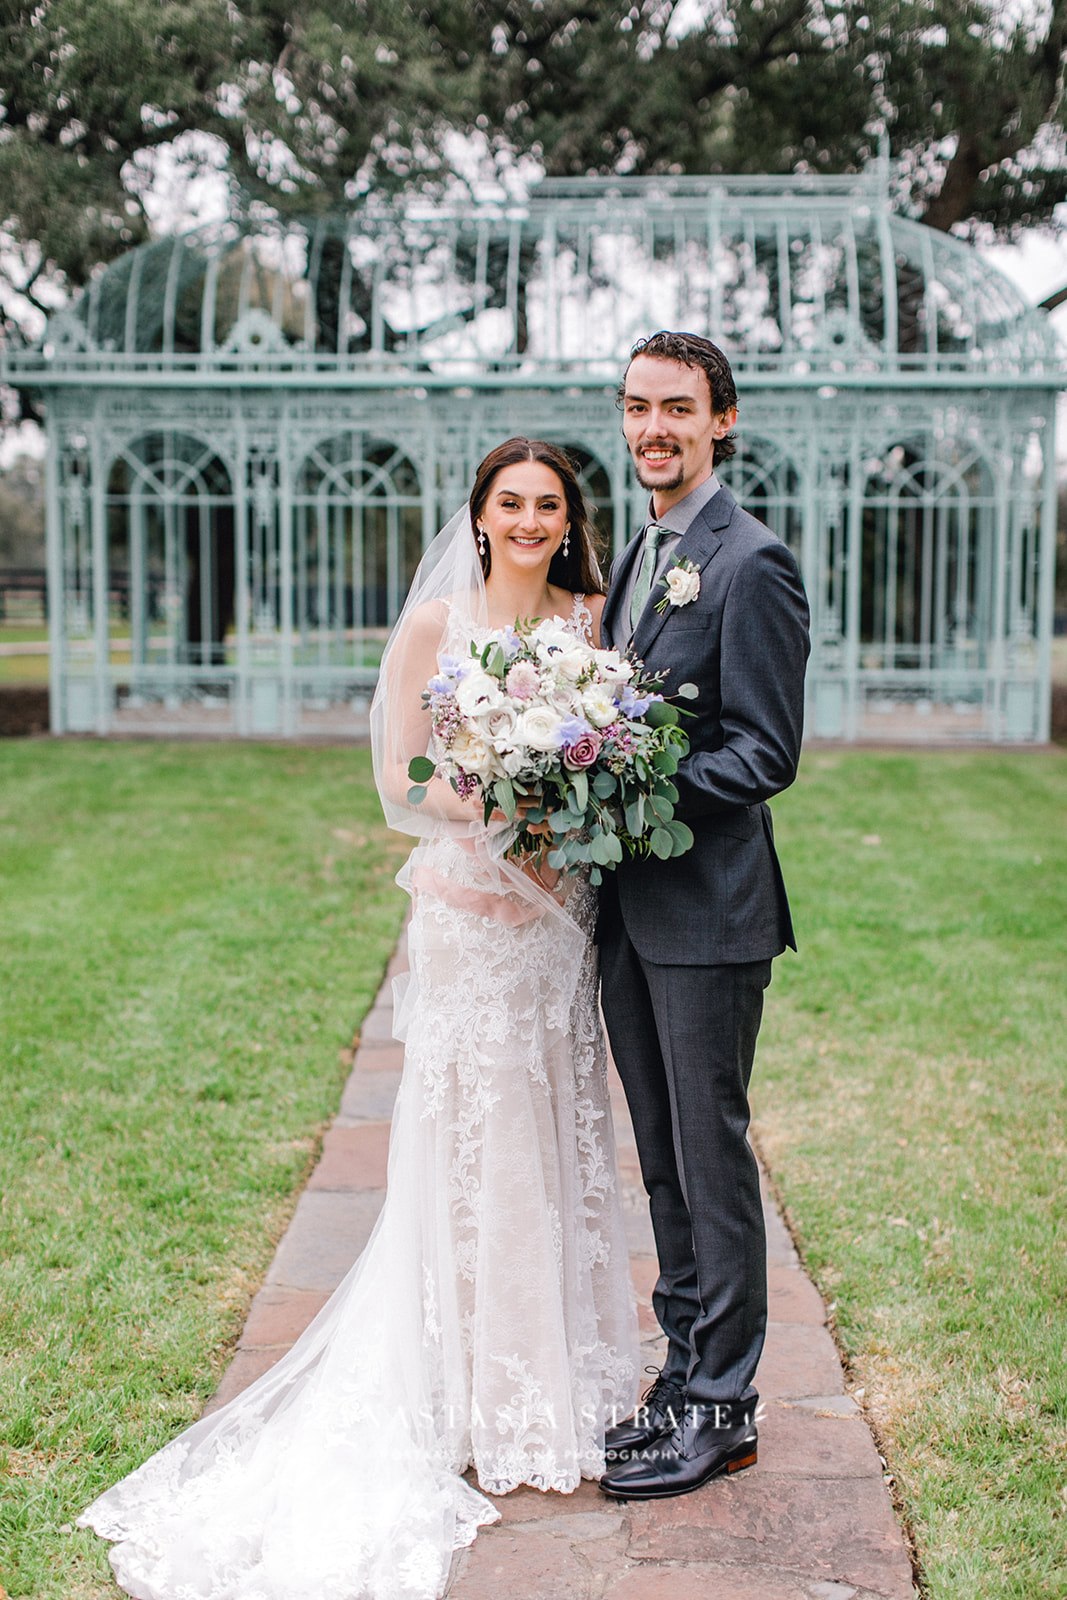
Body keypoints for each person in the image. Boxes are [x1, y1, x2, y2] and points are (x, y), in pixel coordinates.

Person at [77, 438, 638, 1599]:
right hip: (473, 922)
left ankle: (554, 1382)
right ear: (478, 518)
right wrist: (497, 794)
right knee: (467, 1143)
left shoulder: (591, 625)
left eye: (548, 504)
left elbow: (613, 754)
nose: (530, 519)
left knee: (552, 1131)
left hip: (556, 927)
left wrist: (565, 790)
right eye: (509, 503)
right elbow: (399, 774)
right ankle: (462, 1384)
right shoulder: (440, 624)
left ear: (567, 519)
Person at [596, 331, 810, 1501]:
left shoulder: (747, 562)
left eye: (675, 408)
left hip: (711, 914)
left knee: (708, 1159)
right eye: (636, 408)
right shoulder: (642, 551)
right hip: (628, 914)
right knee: (663, 1166)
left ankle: (723, 1406)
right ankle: (682, 1374)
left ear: (720, 419)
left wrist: (624, 785)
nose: (652, 429)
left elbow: (763, 752)